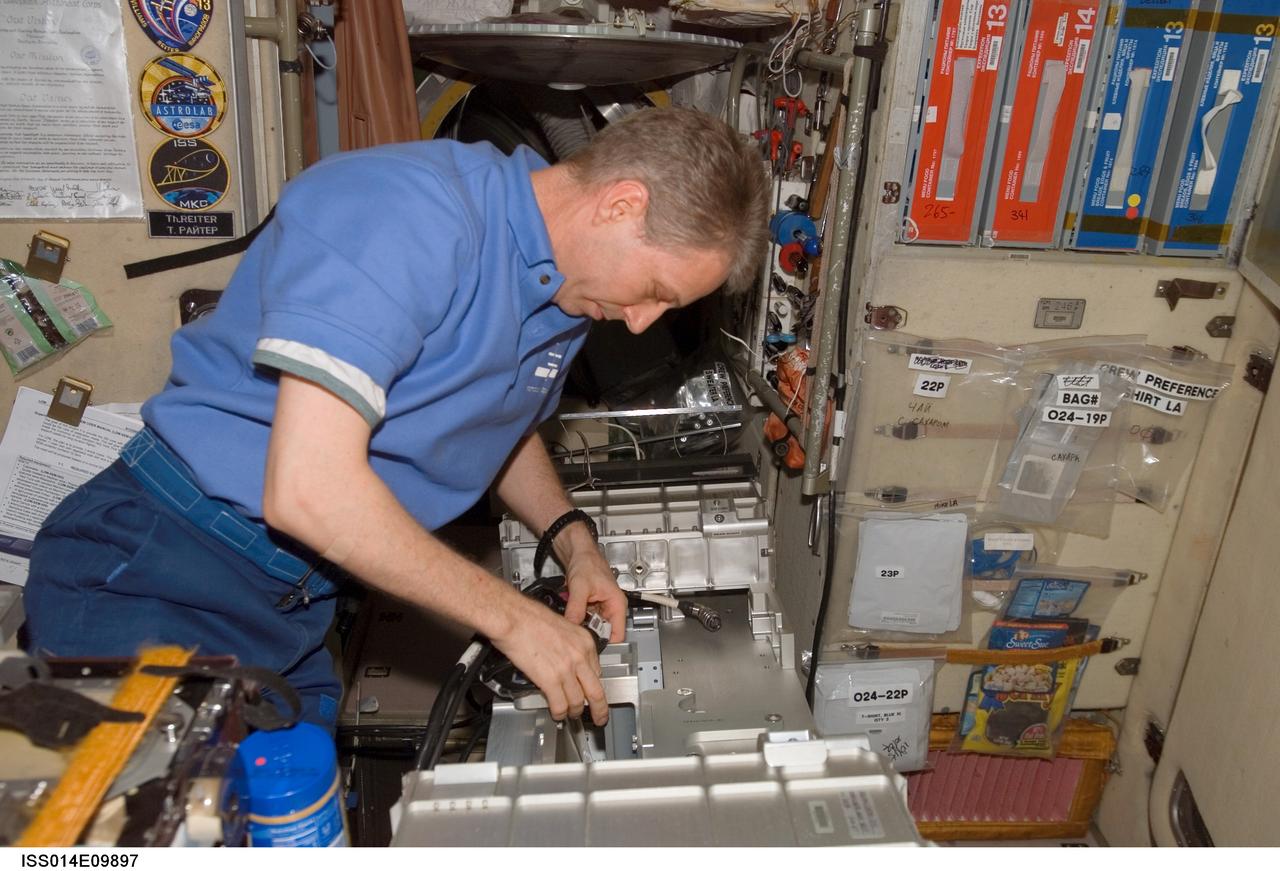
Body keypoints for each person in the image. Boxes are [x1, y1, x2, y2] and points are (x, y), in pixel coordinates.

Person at [23, 106, 770, 730]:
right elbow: (309, 490)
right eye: (656, 290)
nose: (641, 324)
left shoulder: (567, 290)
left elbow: (498, 428)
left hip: (295, 602)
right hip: (164, 567)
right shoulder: (407, 212)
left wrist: (572, 539)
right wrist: (512, 618)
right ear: (622, 204)